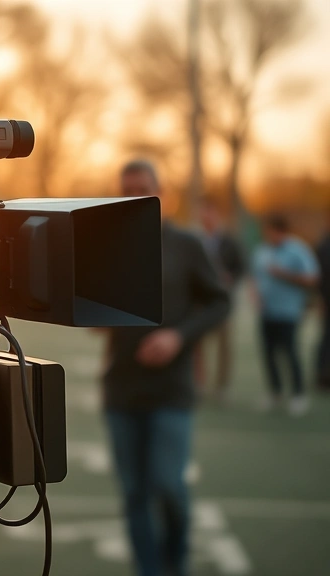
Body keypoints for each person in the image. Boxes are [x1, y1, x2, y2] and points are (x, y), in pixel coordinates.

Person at [102, 160, 230, 576]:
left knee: (169, 487)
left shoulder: (186, 245)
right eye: (127, 191)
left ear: (163, 193)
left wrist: (178, 337)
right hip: (121, 388)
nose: (135, 198)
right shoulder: (109, 243)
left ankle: (176, 564)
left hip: (171, 389)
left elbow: (219, 302)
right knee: (134, 494)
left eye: (143, 189)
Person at [252, 213, 319, 415]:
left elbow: (312, 278)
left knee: (290, 353)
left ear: (280, 231)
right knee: (268, 354)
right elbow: (255, 277)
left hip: (289, 312)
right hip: (267, 312)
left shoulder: (298, 250)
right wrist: (255, 294)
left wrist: (283, 274)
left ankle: (298, 394)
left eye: (271, 231)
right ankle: (275, 392)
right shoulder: (262, 250)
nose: (268, 235)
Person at [195, 197, 246, 401]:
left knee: (224, 346)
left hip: (222, 302)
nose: (207, 217)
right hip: (199, 302)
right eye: (203, 213)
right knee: (196, 344)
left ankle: (222, 387)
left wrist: (230, 277)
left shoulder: (229, 241)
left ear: (217, 215)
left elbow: (241, 267)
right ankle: (199, 385)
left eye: (210, 212)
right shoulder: (195, 240)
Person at [313, 213, 330, 392]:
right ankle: (322, 376)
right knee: (326, 338)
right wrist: (319, 299)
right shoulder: (324, 246)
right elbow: (318, 276)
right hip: (327, 300)